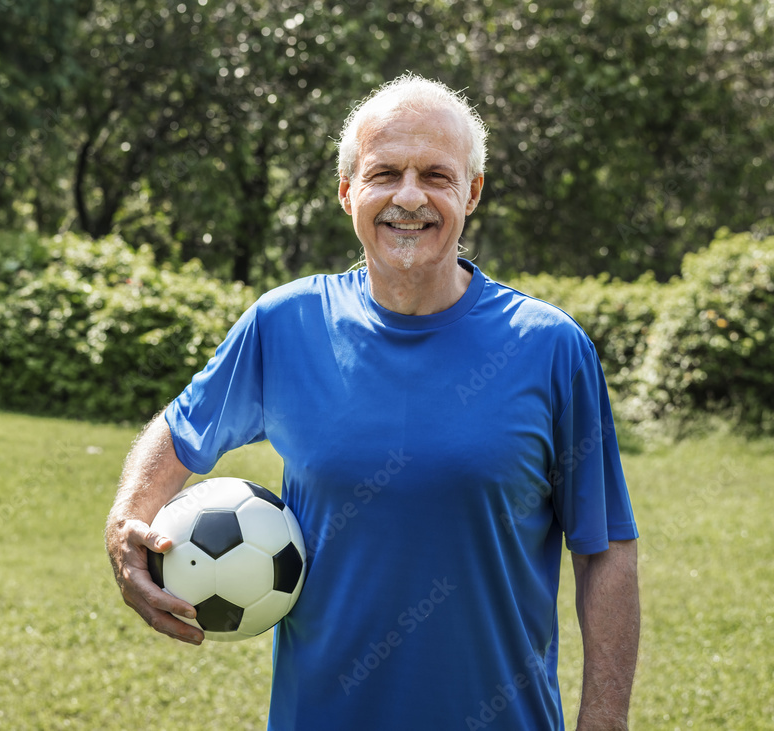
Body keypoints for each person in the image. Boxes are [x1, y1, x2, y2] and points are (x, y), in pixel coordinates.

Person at [106, 72, 640, 730]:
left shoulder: (550, 347)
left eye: (436, 176)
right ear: (347, 191)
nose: (409, 197)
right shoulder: (285, 324)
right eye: (385, 172)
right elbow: (181, 427)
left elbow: (607, 548)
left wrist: (606, 721)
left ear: (471, 193)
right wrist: (127, 521)